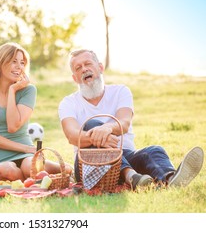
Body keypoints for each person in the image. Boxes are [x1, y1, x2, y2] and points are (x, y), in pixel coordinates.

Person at [58, 49, 204, 189]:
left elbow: (124, 123)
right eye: (78, 68)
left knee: (154, 150)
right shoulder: (68, 103)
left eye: (88, 64)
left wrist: (106, 129)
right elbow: (72, 135)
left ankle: (170, 179)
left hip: (125, 155)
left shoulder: (121, 91)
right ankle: (131, 176)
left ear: (100, 67)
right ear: (75, 78)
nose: (84, 69)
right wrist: (99, 137)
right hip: (87, 164)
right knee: (92, 124)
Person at [0, 42, 72, 184]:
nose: (19, 66)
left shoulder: (28, 90)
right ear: (0, 62)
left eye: (22, 63)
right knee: (6, 170)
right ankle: (39, 177)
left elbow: (13, 126)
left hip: (27, 155)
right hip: (1, 157)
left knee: (29, 167)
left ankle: (59, 169)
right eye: (14, 61)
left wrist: (12, 91)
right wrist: (26, 148)